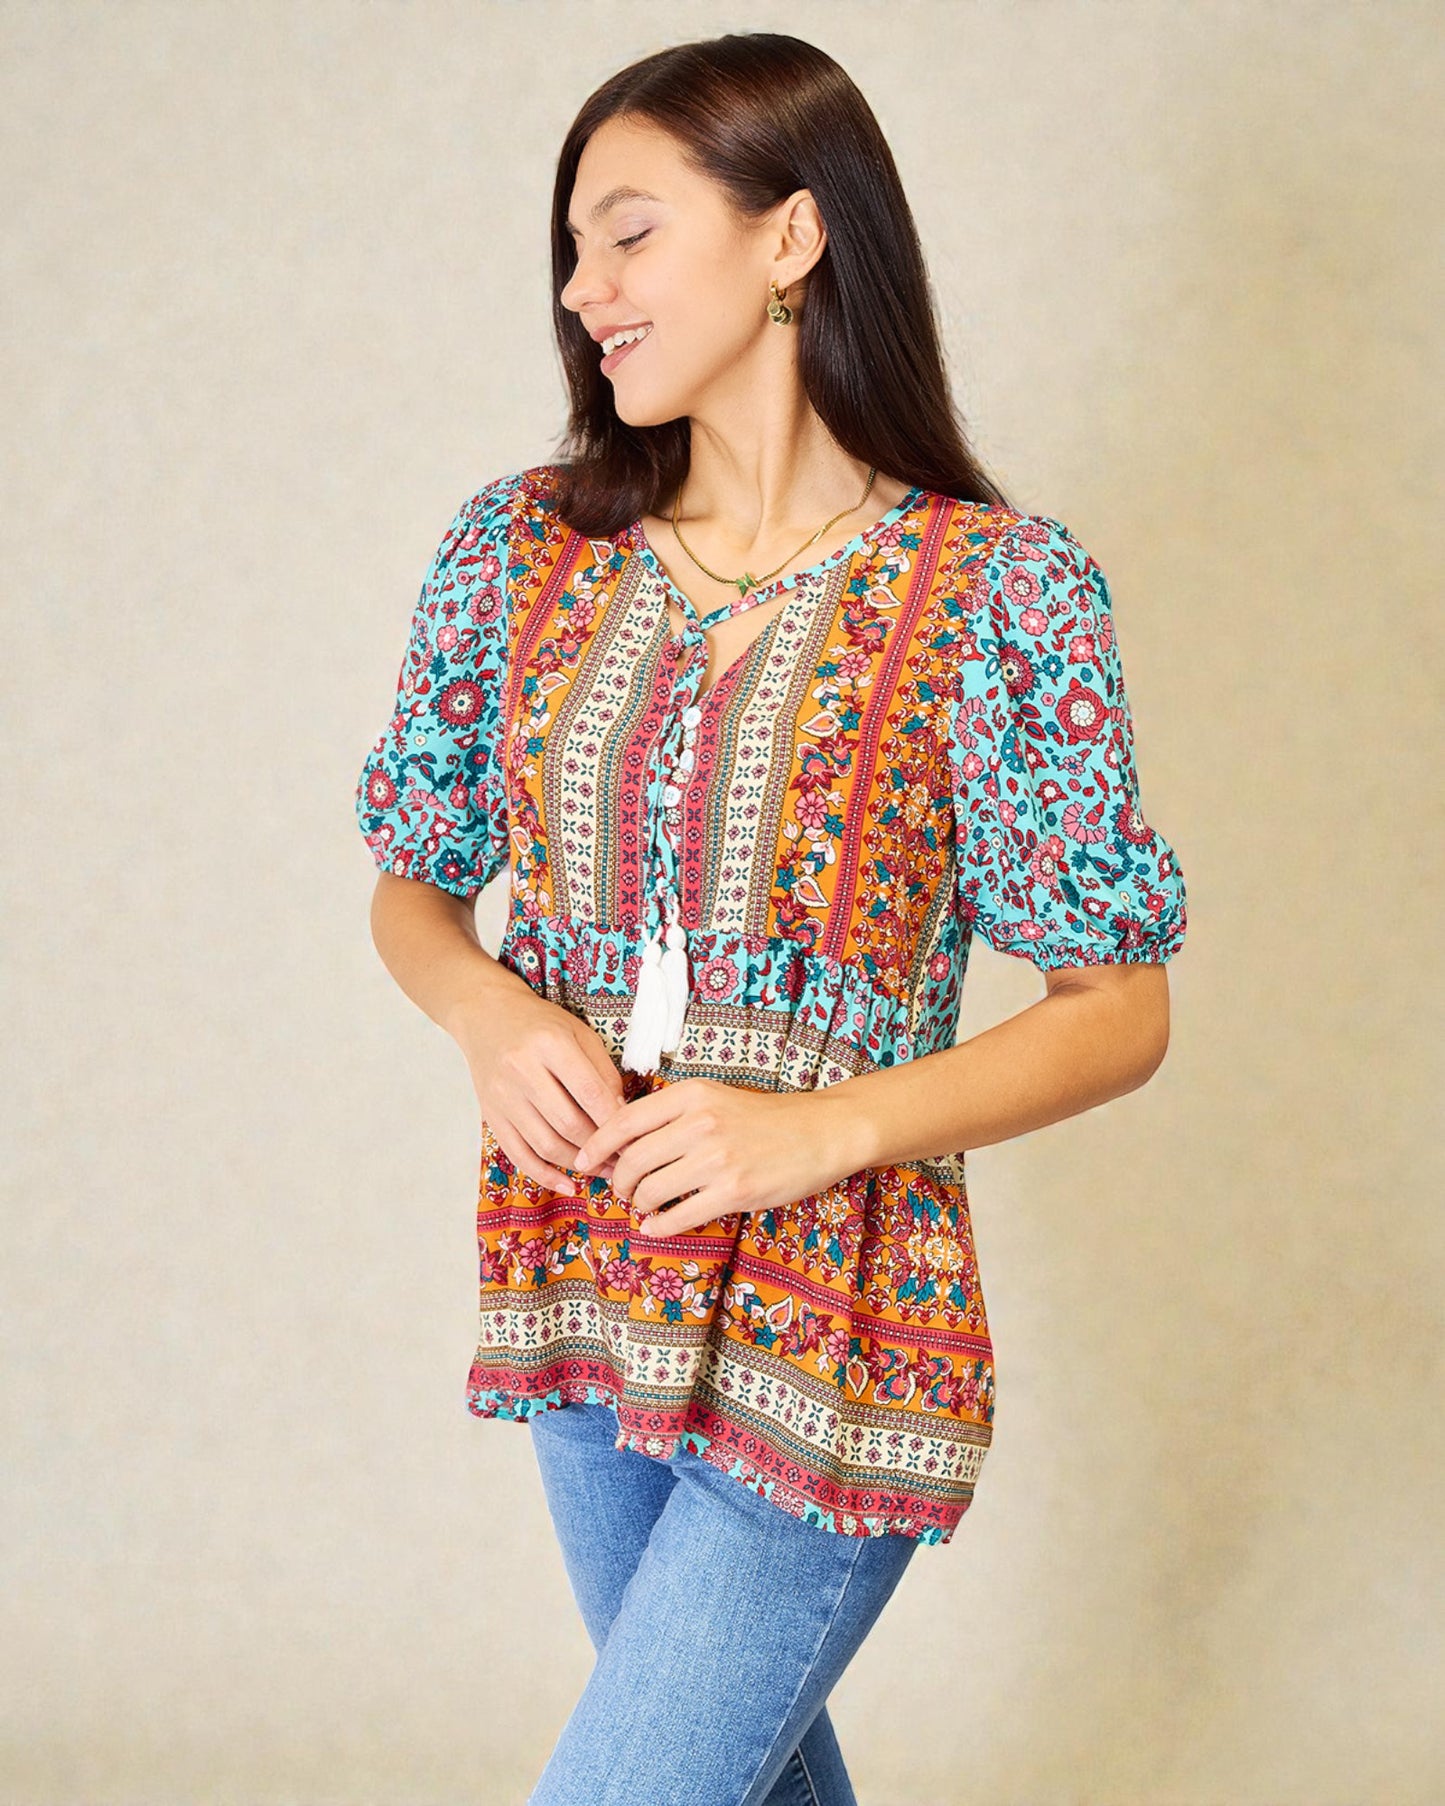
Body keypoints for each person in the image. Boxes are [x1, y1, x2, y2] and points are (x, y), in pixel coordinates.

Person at [354, 30, 1188, 1806]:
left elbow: (1116, 1004)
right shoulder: (516, 551)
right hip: (580, 1272)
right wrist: (493, 1017)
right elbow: (413, 882)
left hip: (839, 1313)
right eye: (571, 253)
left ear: (794, 235)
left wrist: (812, 1131)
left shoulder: (997, 591)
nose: (585, 293)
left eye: (628, 234)